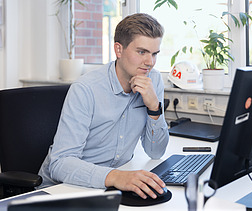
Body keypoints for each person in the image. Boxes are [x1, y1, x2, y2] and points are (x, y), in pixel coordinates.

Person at [38, 13, 169, 200]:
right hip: (64, 190)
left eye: (154, 53)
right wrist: (116, 176)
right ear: (119, 49)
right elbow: (60, 164)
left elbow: (155, 152)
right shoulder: (86, 89)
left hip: (110, 187)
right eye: (142, 52)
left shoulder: (153, 80)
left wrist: (154, 108)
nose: (150, 62)